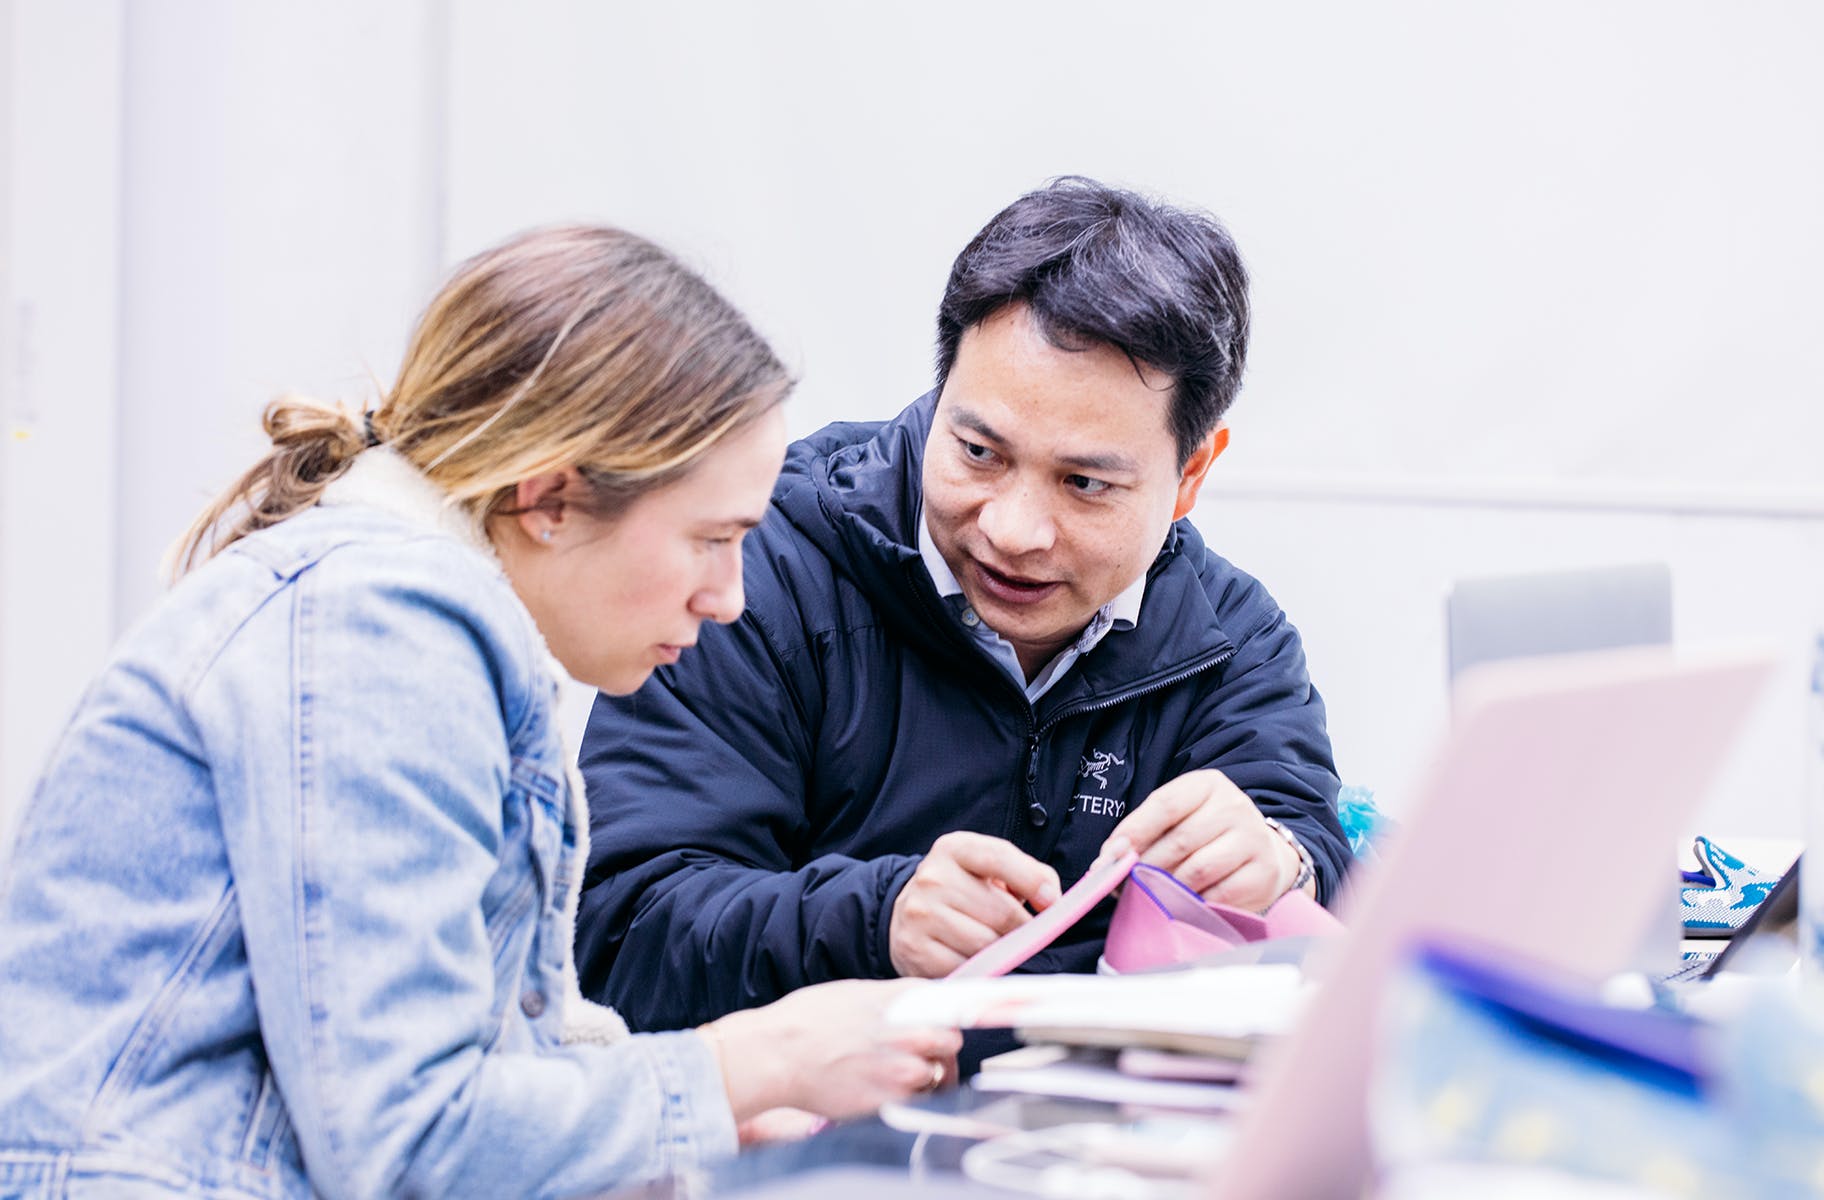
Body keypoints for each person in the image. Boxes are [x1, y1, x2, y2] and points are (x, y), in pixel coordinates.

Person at [0, 226, 959, 1199]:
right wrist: (750, 1063)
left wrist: (691, 1124)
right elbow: (410, 1139)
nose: (730, 597)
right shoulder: (381, 633)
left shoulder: (396, 621)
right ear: (548, 497)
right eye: (711, 540)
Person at [576, 177, 1351, 1040]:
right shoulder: (755, 573)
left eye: (1085, 483)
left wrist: (1282, 860)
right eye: (979, 452)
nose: (1014, 531)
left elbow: (1313, 851)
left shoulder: (1229, 642)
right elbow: (615, 934)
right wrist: (875, 920)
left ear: (1192, 475)